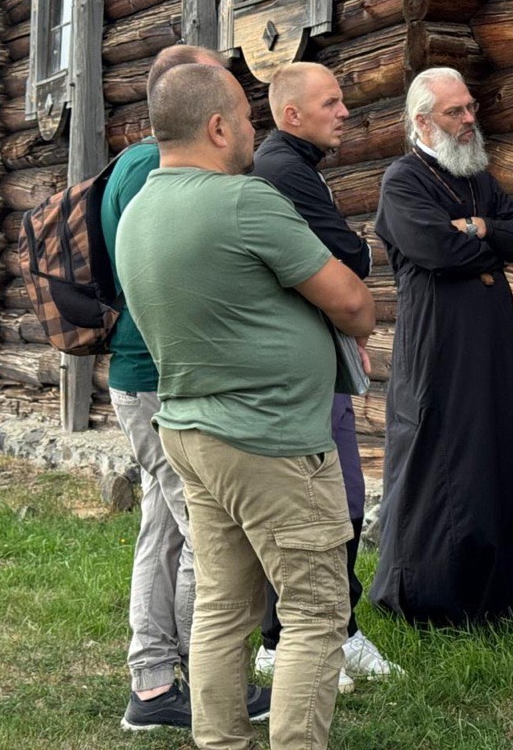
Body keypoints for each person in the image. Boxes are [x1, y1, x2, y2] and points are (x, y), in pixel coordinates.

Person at [116, 61, 376, 750]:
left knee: (224, 609)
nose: (254, 132)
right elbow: (352, 301)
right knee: (317, 612)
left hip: (191, 434)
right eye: (248, 118)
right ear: (217, 125)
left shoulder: (140, 210)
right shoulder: (241, 201)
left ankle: (221, 742)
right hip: (272, 443)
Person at [369, 67, 513, 628]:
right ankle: (437, 598)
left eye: (470, 108)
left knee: (511, 451)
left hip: (494, 346)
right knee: (446, 462)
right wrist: (483, 241)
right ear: (422, 121)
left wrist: (482, 230)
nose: (469, 120)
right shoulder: (402, 181)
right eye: (455, 112)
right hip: (440, 348)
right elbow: (438, 250)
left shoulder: (477, 178)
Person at [103, 44, 270, 731]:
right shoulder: (157, 168)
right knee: (207, 538)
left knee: (162, 530)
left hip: (139, 373)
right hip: (159, 376)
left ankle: (151, 685)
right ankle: (212, 690)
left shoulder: (129, 166)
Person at [251, 61, 400, 689]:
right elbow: (351, 256)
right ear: (292, 115)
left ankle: (330, 630)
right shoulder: (284, 170)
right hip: (300, 368)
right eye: (332, 102)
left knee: (338, 500)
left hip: (319, 352)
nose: (345, 112)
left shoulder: (295, 167)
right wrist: (358, 255)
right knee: (323, 502)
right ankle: (287, 641)